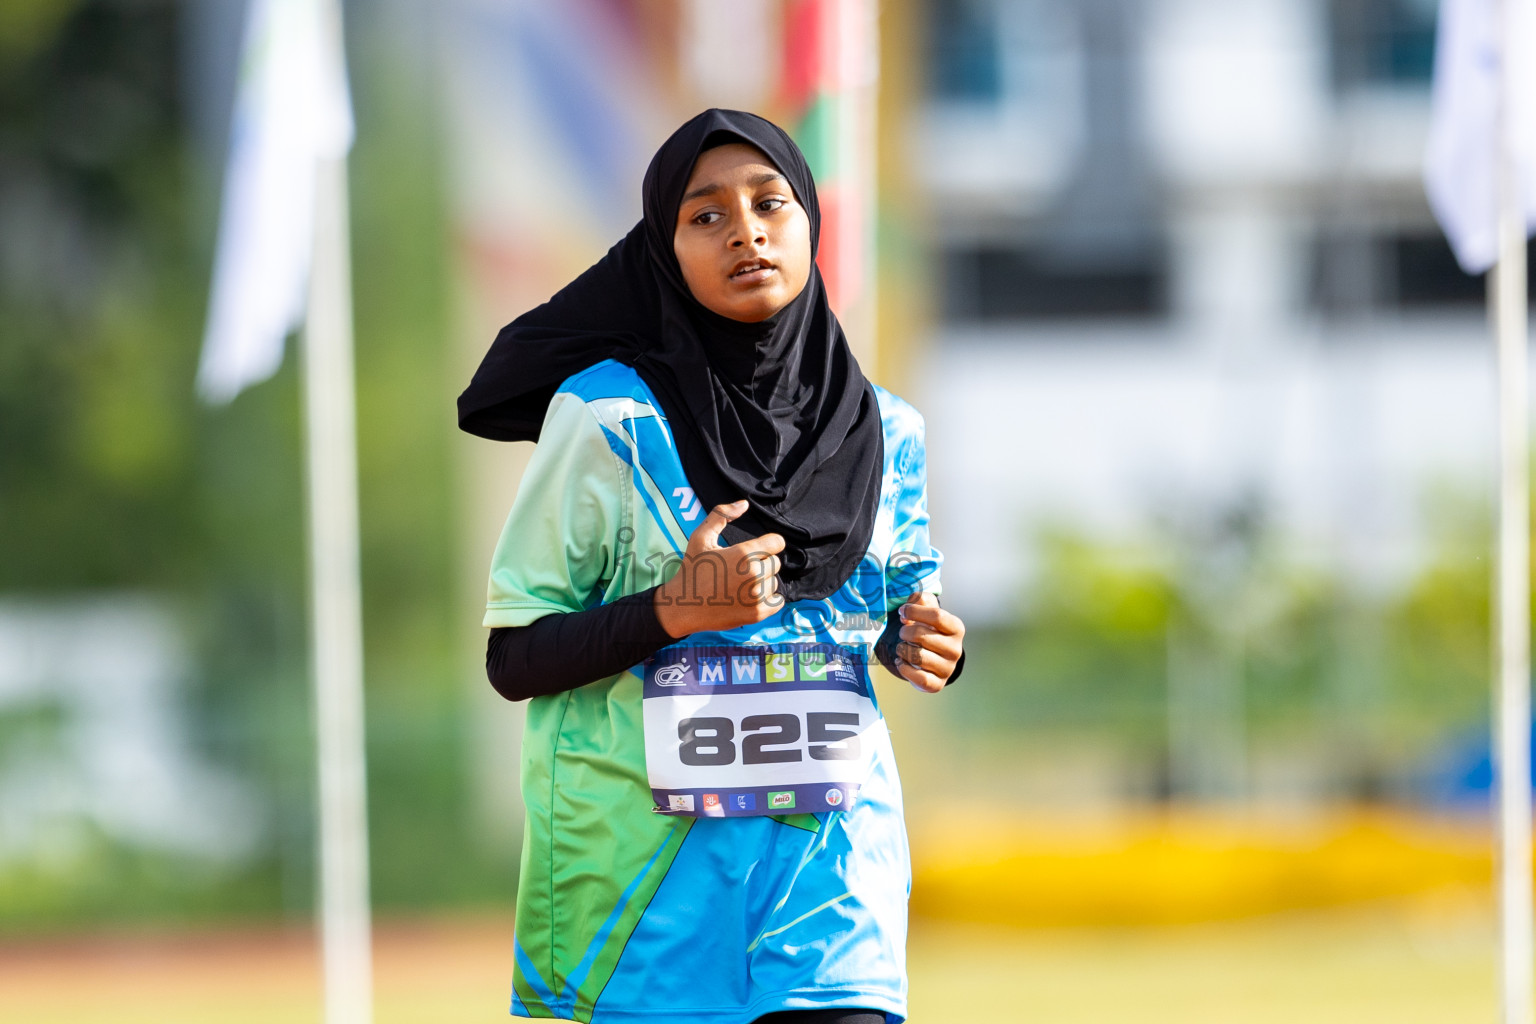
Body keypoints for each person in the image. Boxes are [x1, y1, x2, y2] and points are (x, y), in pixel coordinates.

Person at [458, 109, 966, 1024]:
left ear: (811, 221)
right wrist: (672, 613)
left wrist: (920, 643)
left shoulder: (891, 429)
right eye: (707, 216)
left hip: (831, 871)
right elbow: (514, 657)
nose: (747, 231)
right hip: (643, 897)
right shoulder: (607, 420)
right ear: (664, 250)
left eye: (771, 203)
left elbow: (886, 611)